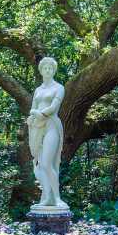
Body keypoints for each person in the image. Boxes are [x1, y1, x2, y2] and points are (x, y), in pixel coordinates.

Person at [27, 57, 69, 211]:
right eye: (45, 68)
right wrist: (33, 115)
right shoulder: (38, 90)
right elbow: (32, 108)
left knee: (47, 163)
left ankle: (57, 198)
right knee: (40, 164)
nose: (48, 70)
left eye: (50, 68)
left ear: (53, 70)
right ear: (41, 70)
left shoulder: (59, 88)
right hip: (38, 127)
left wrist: (40, 114)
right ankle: (46, 197)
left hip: (51, 125)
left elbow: (54, 107)